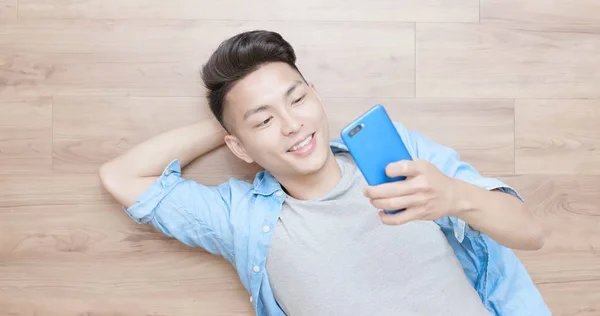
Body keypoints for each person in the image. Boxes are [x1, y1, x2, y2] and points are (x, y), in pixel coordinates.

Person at [99, 30, 550, 316]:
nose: (292, 124)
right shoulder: (240, 219)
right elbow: (121, 177)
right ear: (237, 145)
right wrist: (230, 122)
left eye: (296, 99)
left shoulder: (401, 155)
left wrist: (454, 197)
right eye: (263, 121)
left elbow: (531, 232)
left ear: (317, 95)